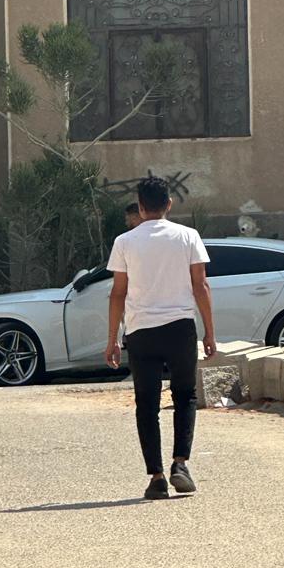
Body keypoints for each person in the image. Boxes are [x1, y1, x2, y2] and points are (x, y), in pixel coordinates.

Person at [106, 176, 217, 500]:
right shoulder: (188, 236)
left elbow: (118, 292)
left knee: (146, 404)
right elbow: (201, 285)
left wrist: (112, 338)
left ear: (140, 207)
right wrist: (209, 332)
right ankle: (180, 464)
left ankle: (156, 477)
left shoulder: (125, 242)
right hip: (180, 327)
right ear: (169, 203)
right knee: (185, 396)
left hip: (141, 331)